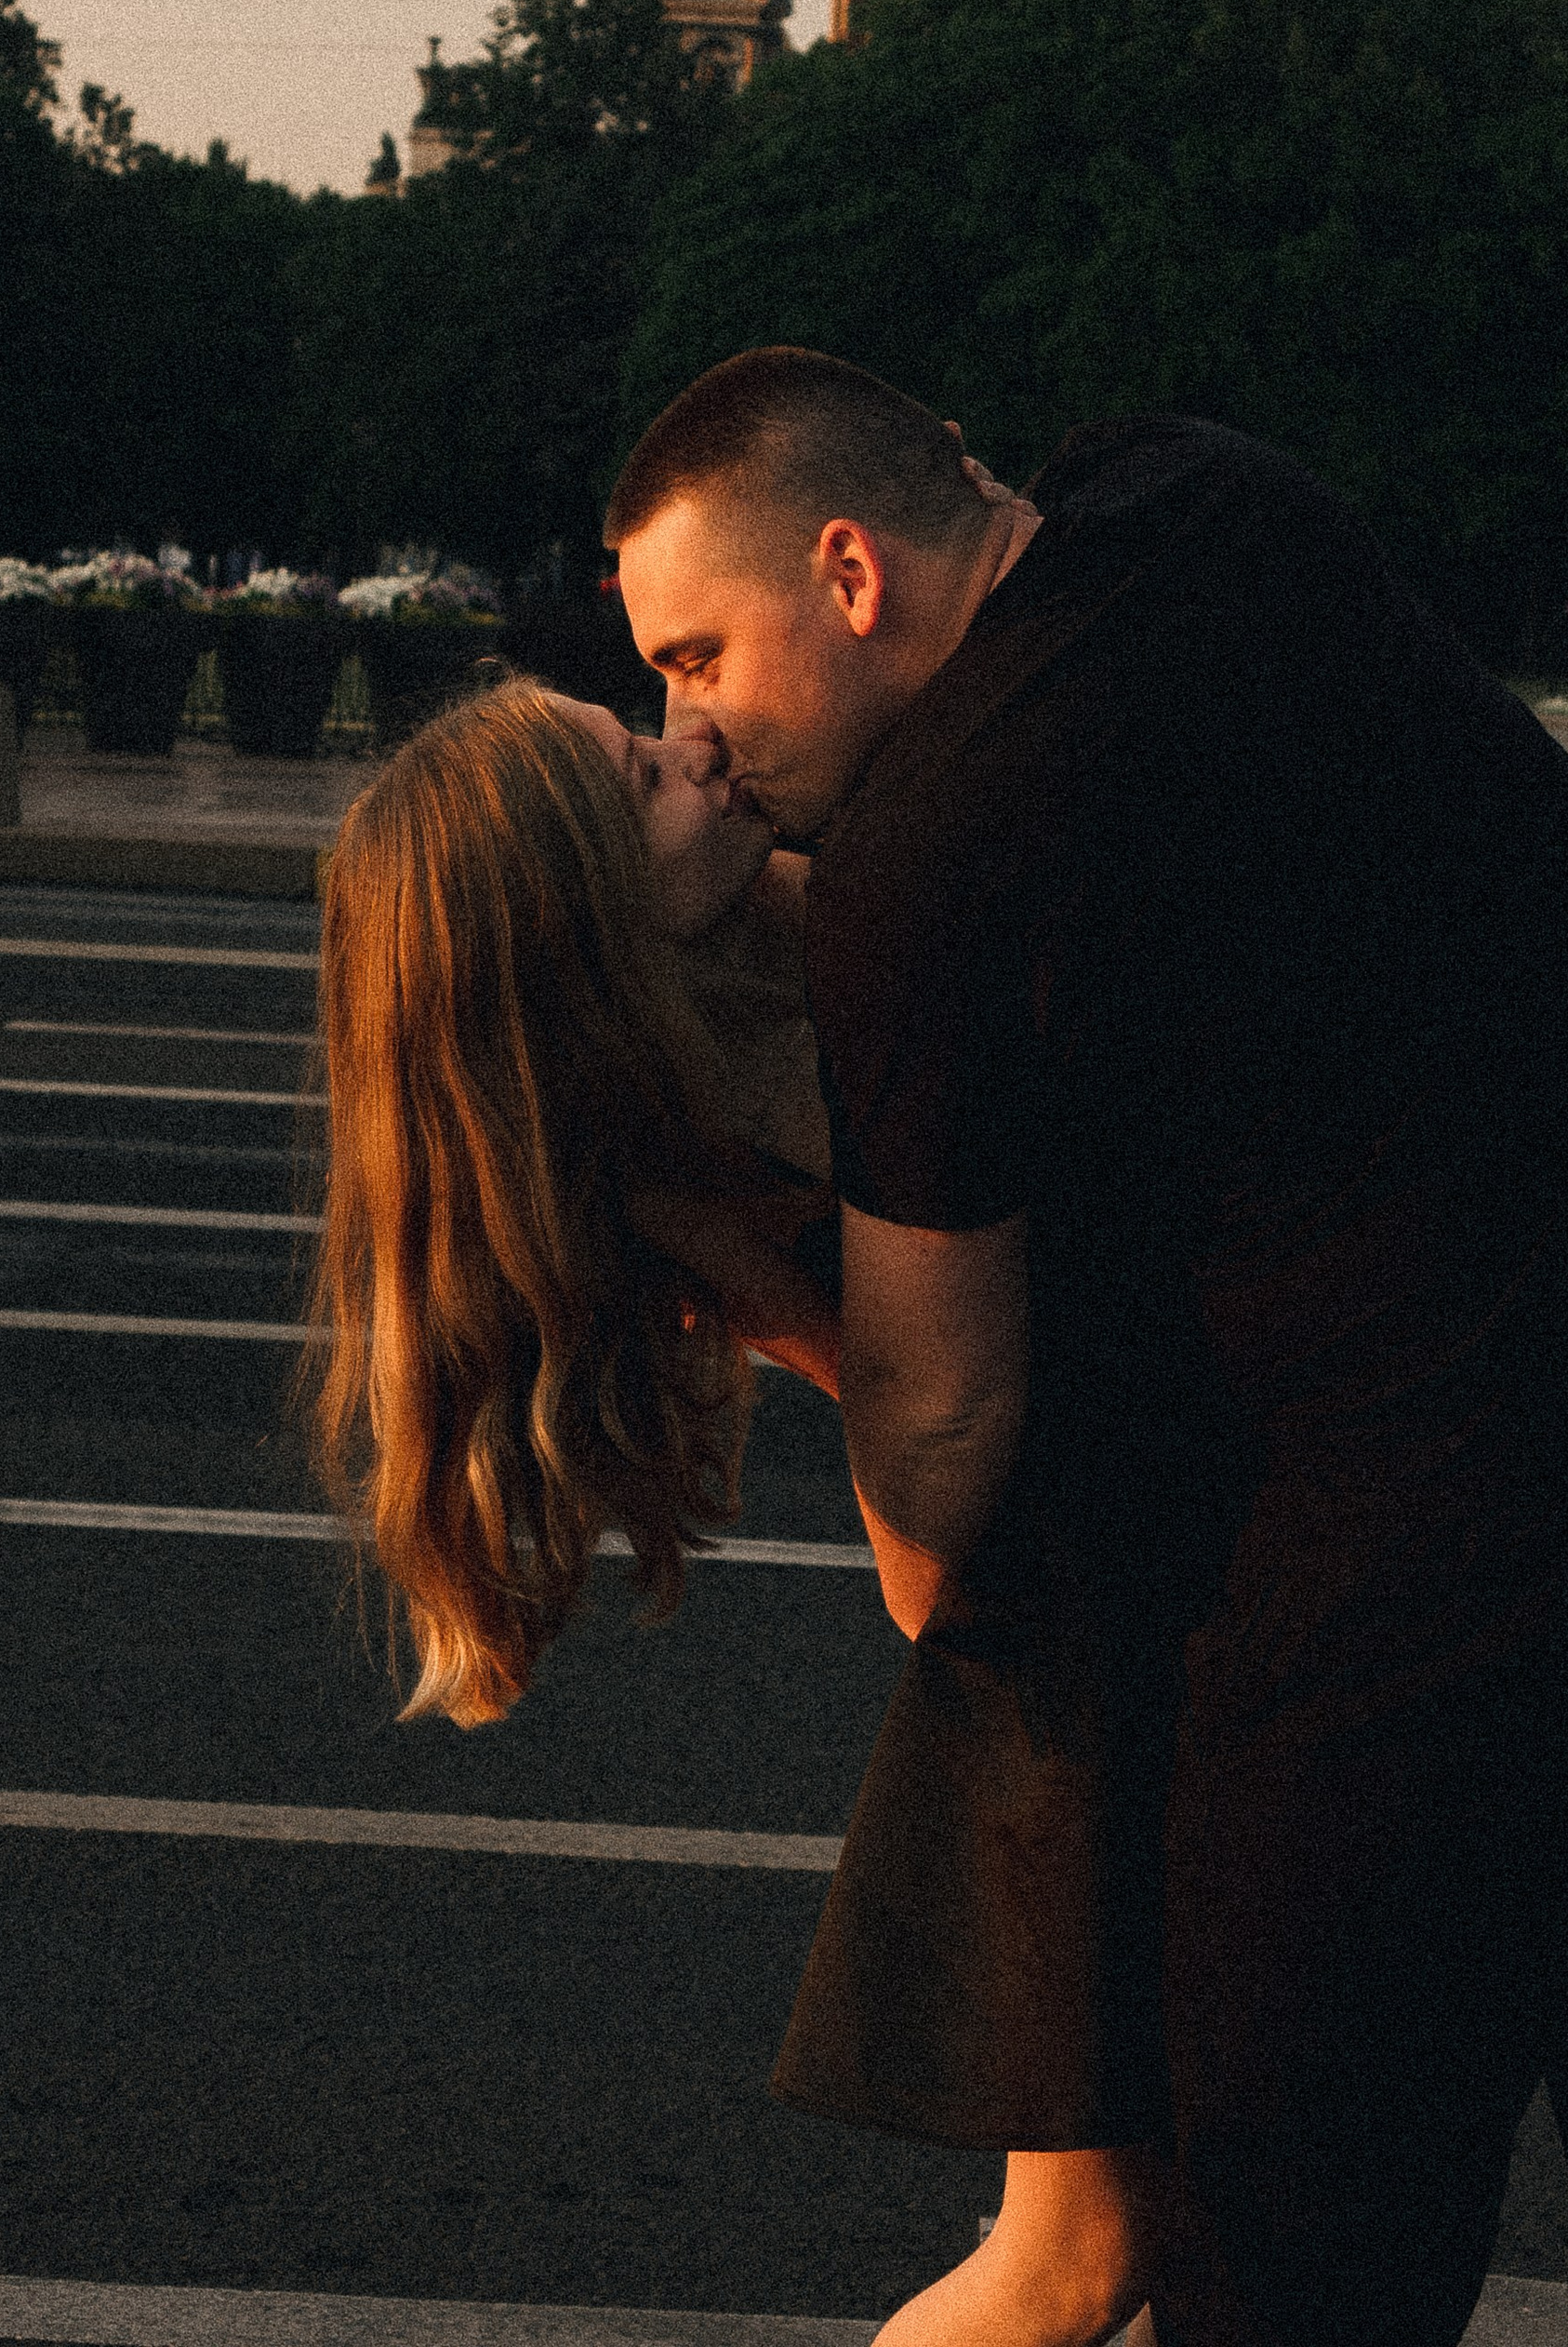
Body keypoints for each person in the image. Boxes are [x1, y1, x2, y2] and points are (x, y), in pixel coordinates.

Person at [605, 352, 1568, 2347]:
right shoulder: (1208, 495)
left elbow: (943, 1415)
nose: (691, 727)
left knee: (1295, 2242)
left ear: (848, 574)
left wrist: (672, 935)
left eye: (699, 657)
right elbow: (1150, 880)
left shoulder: (917, 869)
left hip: (1429, 1567)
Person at [300, 673, 1171, 2347]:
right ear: (577, 921)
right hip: (1062, 1620)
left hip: (1101, 1573)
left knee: (1180, 2232)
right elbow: (913, 1396)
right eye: (645, 774)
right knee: (1079, 2253)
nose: (697, 739)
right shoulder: (675, 1143)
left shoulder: (787, 925)